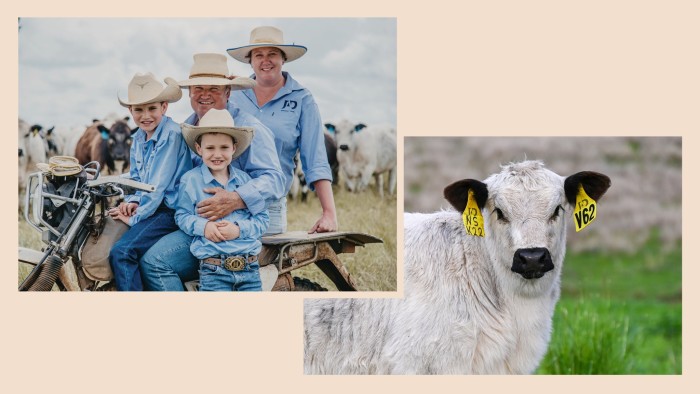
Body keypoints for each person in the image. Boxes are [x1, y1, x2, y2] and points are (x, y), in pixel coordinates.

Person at [139, 52, 285, 291]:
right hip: (199, 220)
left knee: (155, 262)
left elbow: (276, 181)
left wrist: (236, 199)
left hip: (238, 224)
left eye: (214, 89)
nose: (204, 95)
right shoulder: (188, 128)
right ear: (189, 93)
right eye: (198, 88)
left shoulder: (250, 129)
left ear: (228, 93)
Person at [227, 26, 337, 234]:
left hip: (270, 204)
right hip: (228, 199)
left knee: (266, 264)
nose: (265, 60)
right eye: (258, 55)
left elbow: (315, 159)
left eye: (272, 54)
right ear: (250, 60)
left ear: (283, 59)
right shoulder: (233, 94)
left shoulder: (302, 99)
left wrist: (329, 213)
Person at [108, 72, 192, 291]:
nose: (146, 116)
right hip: (153, 207)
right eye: (139, 109)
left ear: (164, 107)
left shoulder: (171, 135)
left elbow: (156, 187)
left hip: (170, 210)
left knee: (123, 252)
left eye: (152, 108)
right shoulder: (137, 138)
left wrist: (134, 218)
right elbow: (138, 179)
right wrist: (133, 201)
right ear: (130, 111)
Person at [175, 109, 268, 291]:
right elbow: (182, 215)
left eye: (224, 148)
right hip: (213, 268)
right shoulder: (190, 180)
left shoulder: (245, 182)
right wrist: (204, 227)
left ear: (233, 148)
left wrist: (238, 230)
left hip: (249, 267)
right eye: (210, 148)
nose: (217, 154)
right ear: (199, 149)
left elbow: (263, 219)